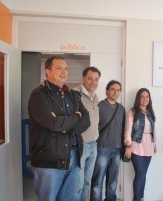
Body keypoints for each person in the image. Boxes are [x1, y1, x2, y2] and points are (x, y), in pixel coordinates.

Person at [28, 56, 90, 201]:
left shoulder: (72, 95)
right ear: (47, 71)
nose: (64, 72)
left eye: (66, 68)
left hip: (73, 158)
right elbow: (54, 123)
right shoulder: (39, 95)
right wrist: (75, 117)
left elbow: (86, 120)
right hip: (49, 161)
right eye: (59, 68)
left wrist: (66, 126)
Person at [90, 80, 126, 201]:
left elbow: (123, 129)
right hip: (102, 149)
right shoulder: (99, 106)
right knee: (97, 181)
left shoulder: (121, 109)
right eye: (112, 89)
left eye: (118, 90)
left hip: (117, 150)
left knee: (113, 182)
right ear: (107, 91)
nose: (116, 92)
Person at [73, 66, 101, 201]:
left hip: (93, 145)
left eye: (96, 79)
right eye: (90, 78)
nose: (93, 82)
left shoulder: (95, 96)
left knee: (86, 182)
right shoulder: (74, 94)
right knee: (77, 184)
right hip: (80, 145)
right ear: (83, 78)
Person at [124, 88, 156, 201]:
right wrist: (128, 146)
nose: (145, 99)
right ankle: (136, 198)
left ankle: (141, 197)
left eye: (147, 96)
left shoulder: (150, 112)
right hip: (136, 146)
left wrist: (155, 144)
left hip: (149, 146)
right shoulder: (132, 111)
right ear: (138, 98)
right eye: (142, 97)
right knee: (140, 174)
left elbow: (153, 130)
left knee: (143, 174)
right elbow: (128, 130)